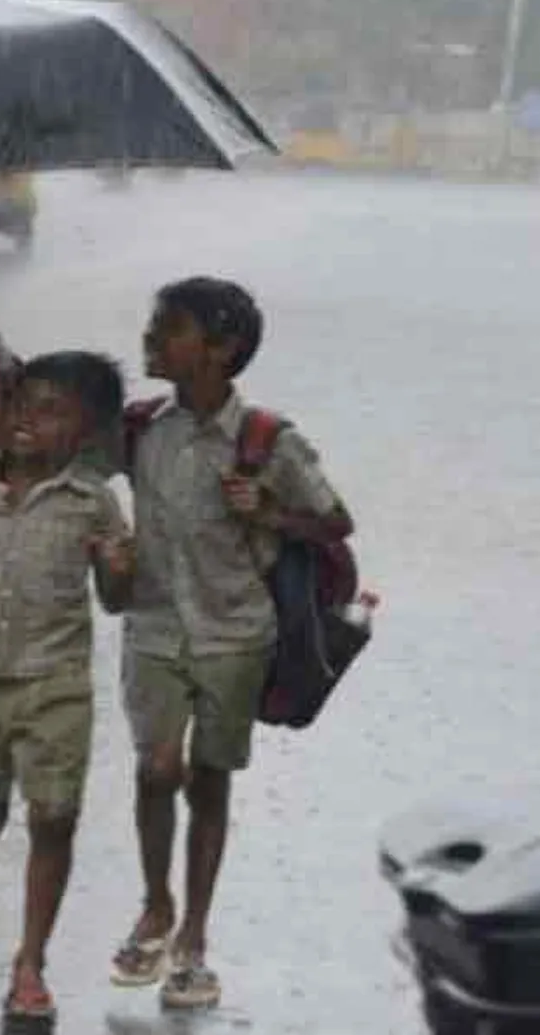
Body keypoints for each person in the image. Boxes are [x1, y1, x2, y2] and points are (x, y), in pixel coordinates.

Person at [109, 277, 351, 1010]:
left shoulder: (267, 440)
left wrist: (272, 510)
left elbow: (335, 520)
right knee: (157, 767)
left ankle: (194, 939)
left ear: (222, 349)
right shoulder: (141, 427)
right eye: (153, 324)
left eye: (169, 327)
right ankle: (156, 905)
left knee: (211, 778)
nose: (151, 338)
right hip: (153, 628)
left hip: (236, 633)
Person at [0, 351, 135, 1024]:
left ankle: (31, 960)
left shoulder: (93, 499)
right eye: (19, 404)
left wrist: (120, 566)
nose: (26, 421)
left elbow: (118, 596)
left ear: (86, 432)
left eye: (50, 410)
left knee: (53, 817)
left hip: (55, 686)